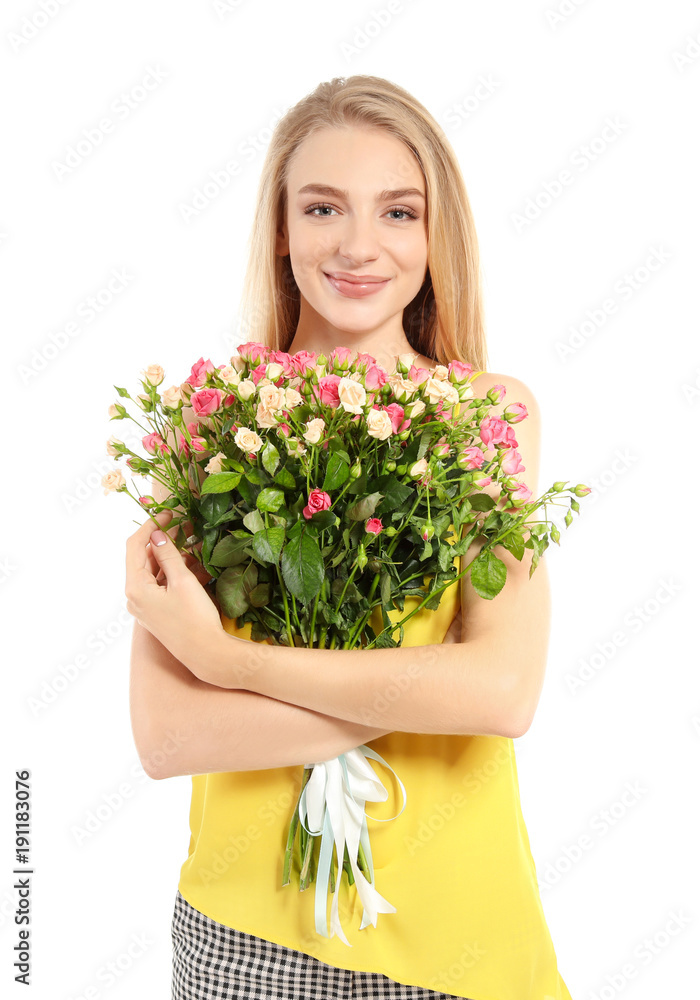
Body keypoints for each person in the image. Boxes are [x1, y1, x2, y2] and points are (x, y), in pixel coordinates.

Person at [126, 75, 573, 1000]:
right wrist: (422, 691)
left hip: (462, 940)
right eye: (324, 207)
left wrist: (231, 661)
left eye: (399, 213)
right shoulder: (209, 424)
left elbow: (500, 693)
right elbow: (169, 738)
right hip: (243, 939)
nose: (360, 246)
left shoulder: (485, 418)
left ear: (433, 235)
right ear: (282, 229)